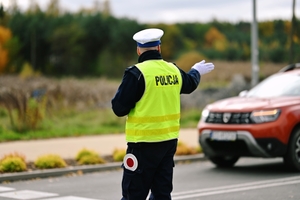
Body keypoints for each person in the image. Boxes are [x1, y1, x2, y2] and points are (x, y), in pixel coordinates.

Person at [111, 28, 214, 200]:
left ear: (138, 50)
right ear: (159, 48)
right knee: (161, 194)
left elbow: (118, 108)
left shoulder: (136, 73)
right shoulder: (172, 70)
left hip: (142, 145)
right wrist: (196, 71)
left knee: (133, 195)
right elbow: (189, 84)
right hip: (168, 143)